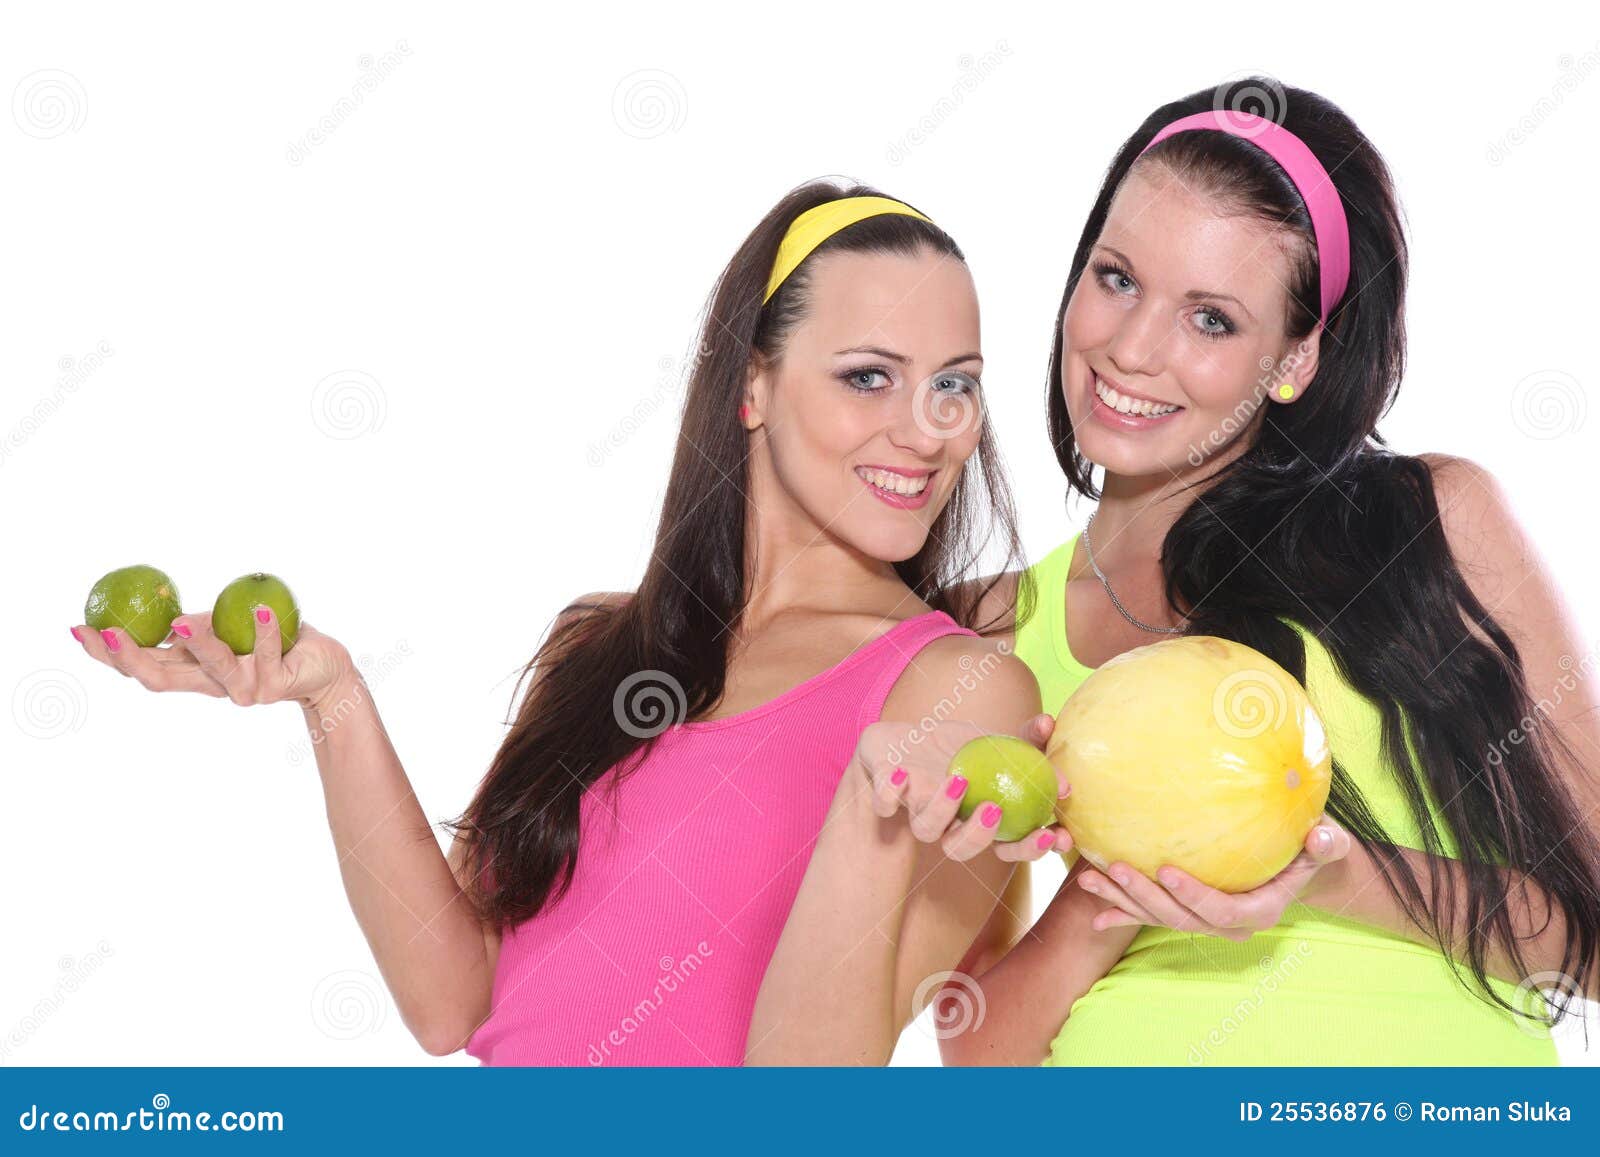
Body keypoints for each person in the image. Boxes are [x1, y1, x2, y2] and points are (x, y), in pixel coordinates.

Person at [71, 180, 1063, 1065]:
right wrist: (332, 695)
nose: (928, 429)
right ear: (751, 384)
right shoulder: (600, 649)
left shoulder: (955, 695)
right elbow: (448, 1002)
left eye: (954, 384)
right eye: (868, 375)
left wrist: (867, 824)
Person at [941, 78, 1600, 1065]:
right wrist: (1099, 896)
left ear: (1294, 359)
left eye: (1210, 319)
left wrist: (1326, 871)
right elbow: (972, 1053)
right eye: (1116, 277)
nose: (1128, 348)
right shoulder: (987, 631)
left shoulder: (1427, 522)